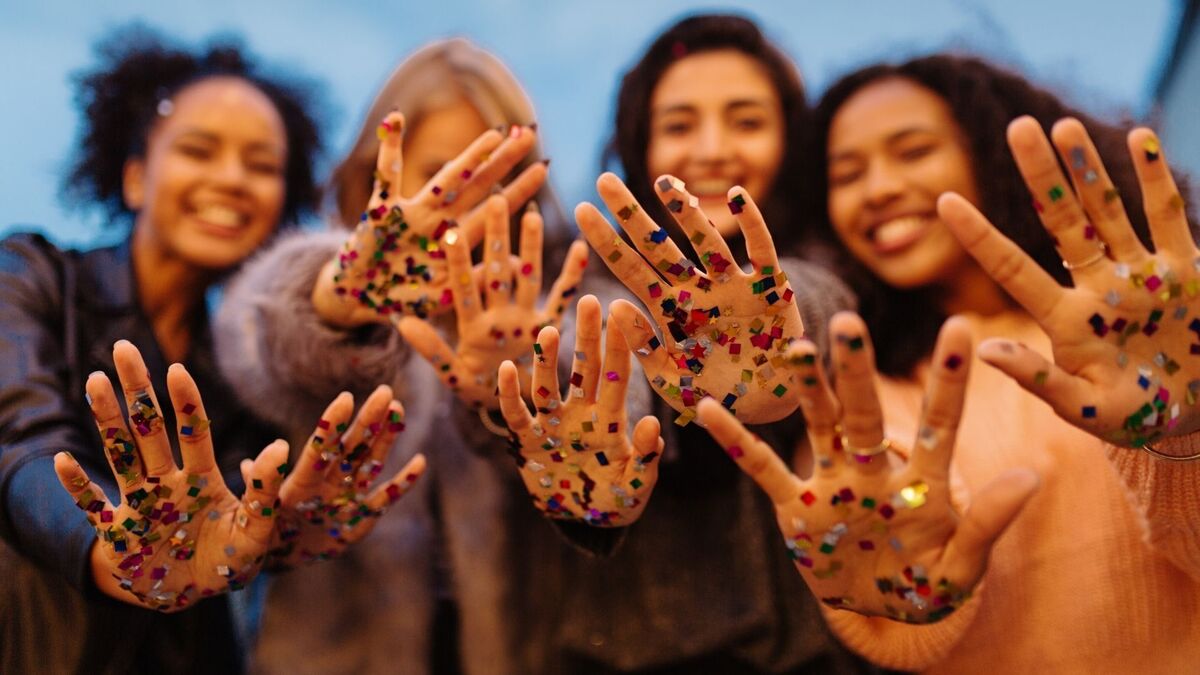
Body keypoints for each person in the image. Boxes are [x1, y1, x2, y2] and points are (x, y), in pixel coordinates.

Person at [700, 54, 1200, 673]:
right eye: (847, 173)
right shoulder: (857, 388)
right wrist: (902, 598)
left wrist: (1184, 432)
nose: (879, 188)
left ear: (991, 156)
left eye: (912, 152)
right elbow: (900, 611)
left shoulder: (1161, 338)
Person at [0, 27, 424, 675]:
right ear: (137, 177)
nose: (231, 179)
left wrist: (275, 531)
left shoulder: (242, 368)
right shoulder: (29, 276)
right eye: (200, 150)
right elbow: (20, 443)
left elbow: (229, 529)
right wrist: (104, 545)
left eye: (261, 165)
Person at [493, 14, 869, 674]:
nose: (713, 147)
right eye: (678, 124)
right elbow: (606, 336)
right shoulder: (587, 282)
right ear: (638, 144)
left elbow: (810, 300)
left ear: (791, 136)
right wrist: (611, 425)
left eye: (747, 120)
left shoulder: (825, 268)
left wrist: (771, 364)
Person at [212, 38, 583, 674]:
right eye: (443, 172)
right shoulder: (320, 277)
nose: (470, 202)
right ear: (376, 177)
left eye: (494, 178)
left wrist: (516, 383)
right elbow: (264, 341)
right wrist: (332, 305)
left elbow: (587, 440)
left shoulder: (555, 307)